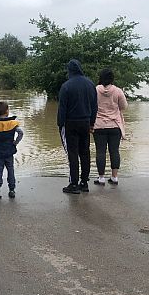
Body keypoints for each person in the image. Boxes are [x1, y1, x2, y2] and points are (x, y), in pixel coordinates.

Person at [57, 59, 97, 194]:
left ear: (69, 70)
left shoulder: (66, 86)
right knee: (85, 152)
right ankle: (84, 182)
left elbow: (62, 109)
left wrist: (60, 124)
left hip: (70, 123)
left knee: (72, 153)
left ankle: (73, 184)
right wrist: (92, 123)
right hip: (85, 122)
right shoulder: (90, 84)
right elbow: (94, 106)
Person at [93, 69, 128, 185]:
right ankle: (114, 177)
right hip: (115, 125)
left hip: (99, 125)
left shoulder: (95, 90)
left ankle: (101, 178)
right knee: (114, 151)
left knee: (100, 151)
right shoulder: (118, 91)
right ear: (112, 78)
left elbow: (91, 105)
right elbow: (124, 106)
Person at [0, 101, 24, 199]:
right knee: (10, 170)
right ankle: (12, 190)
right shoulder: (13, 123)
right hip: (9, 151)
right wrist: (15, 142)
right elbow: (20, 132)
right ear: (7, 111)